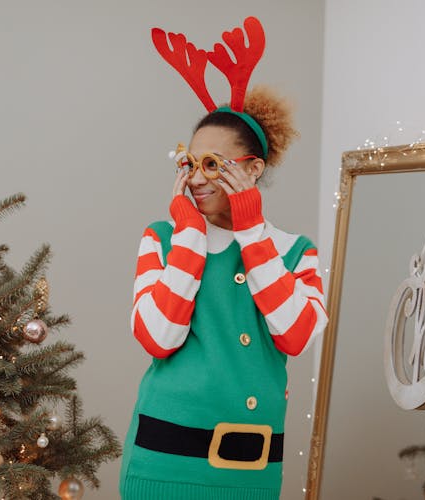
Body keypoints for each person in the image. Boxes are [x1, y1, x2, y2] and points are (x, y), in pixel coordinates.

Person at [119, 17, 328, 500]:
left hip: (249, 473)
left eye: (213, 164)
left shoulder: (296, 251)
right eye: (190, 162)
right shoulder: (163, 239)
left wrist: (253, 233)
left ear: (253, 169)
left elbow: (295, 336)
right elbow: (157, 338)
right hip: (161, 464)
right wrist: (190, 236)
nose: (197, 178)